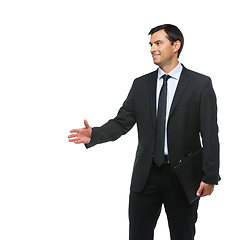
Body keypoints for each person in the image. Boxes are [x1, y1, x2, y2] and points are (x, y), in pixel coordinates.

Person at [68, 24, 220, 240]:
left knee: (183, 235)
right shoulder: (141, 85)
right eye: (150, 44)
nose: (152, 49)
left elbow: (210, 134)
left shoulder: (200, 84)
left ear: (176, 45)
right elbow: (122, 123)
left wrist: (210, 175)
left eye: (158, 43)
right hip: (145, 175)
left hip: (183, 176)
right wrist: (95, 134)